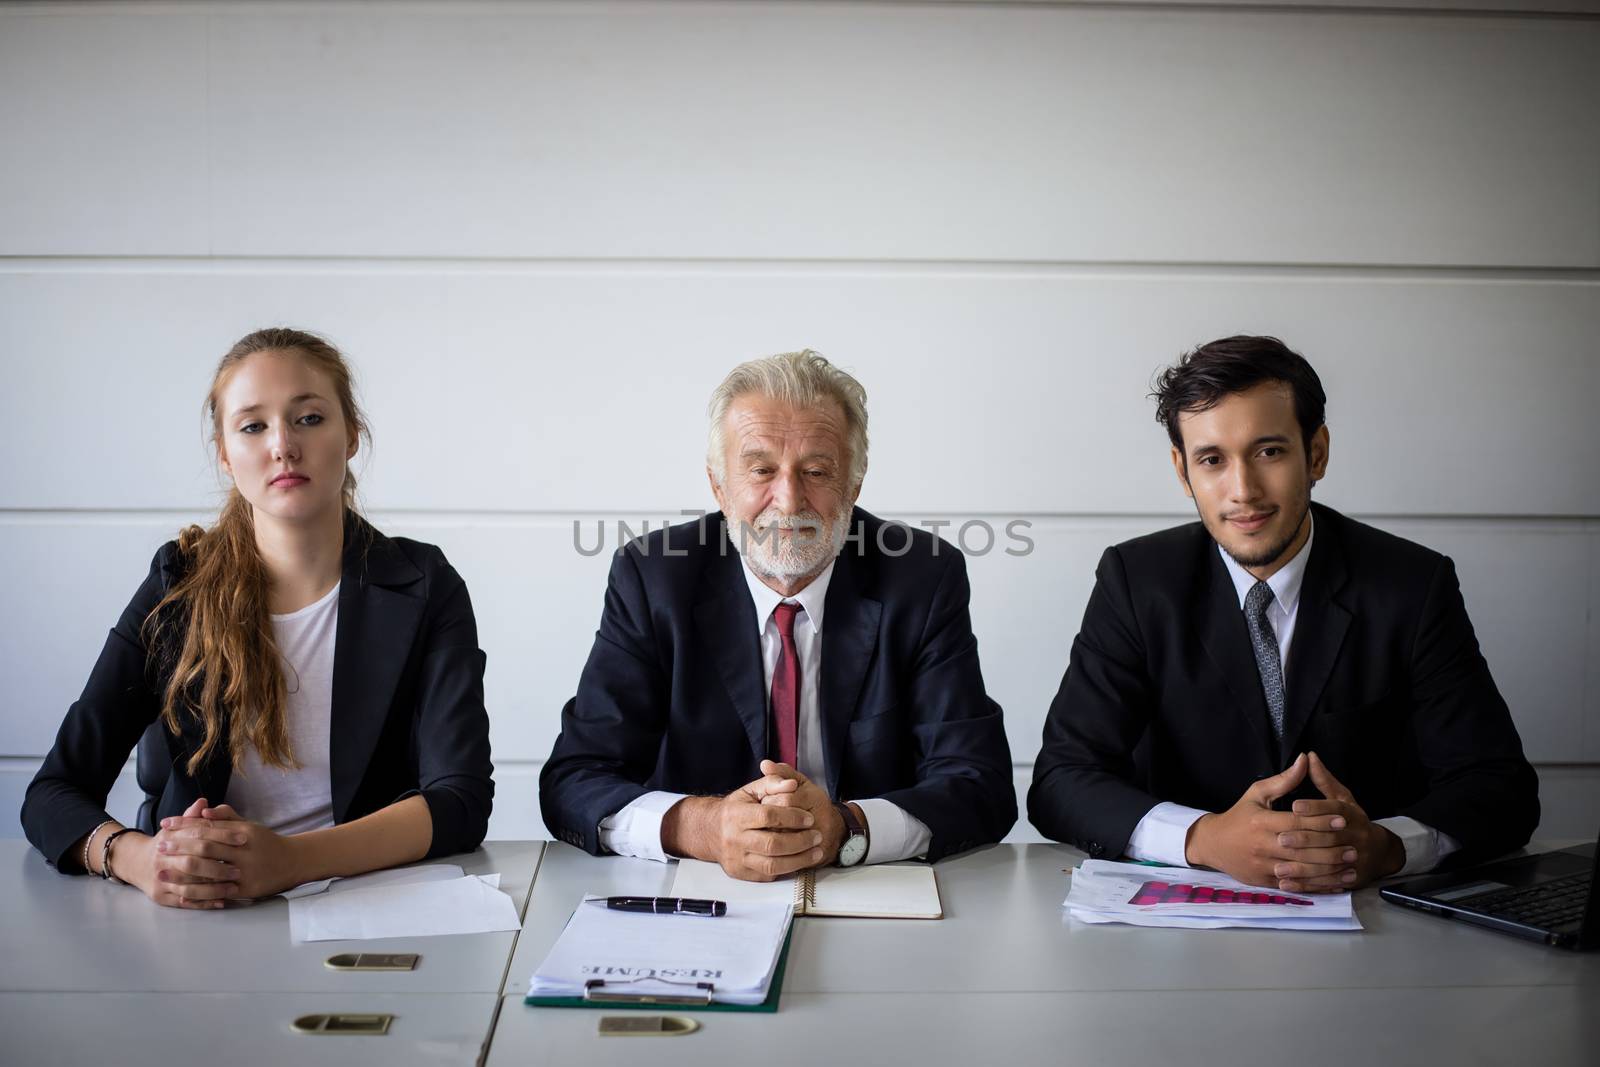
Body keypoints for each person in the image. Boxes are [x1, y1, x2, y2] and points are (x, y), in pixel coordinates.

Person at [1028, 335, 1538, 893]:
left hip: (1370, 920)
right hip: (1178, 924)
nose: (1242, 490)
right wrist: (1204, 838)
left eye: (1269, 451)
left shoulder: (1412, 585)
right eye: (1213, 460)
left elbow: (1499, 789)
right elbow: (1062, 780)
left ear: (1315, 453)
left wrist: (1387, 847)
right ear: (1183, 470)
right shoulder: (1136, 581)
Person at [21, 328, 493, 908]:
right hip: (202, 915)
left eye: (310, 419)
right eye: (253, 426)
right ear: (224, 453)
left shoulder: (424, 583)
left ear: (352, 436)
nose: (283, 447)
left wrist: (291, 861)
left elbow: (460, 802)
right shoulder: (179, 583)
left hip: (367, 904)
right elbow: (53, 792)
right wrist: (142, 859)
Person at [541, 350, 1014, 880]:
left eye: (816, 471)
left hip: (867, 883)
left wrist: (846, 828)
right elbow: (575, 780)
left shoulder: (923, 578)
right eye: (761, 469)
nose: (788, 501)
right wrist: (704, 827)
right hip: (696, 889)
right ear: (719, 488)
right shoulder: (652, 577)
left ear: (854, 487)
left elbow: (980, 785)